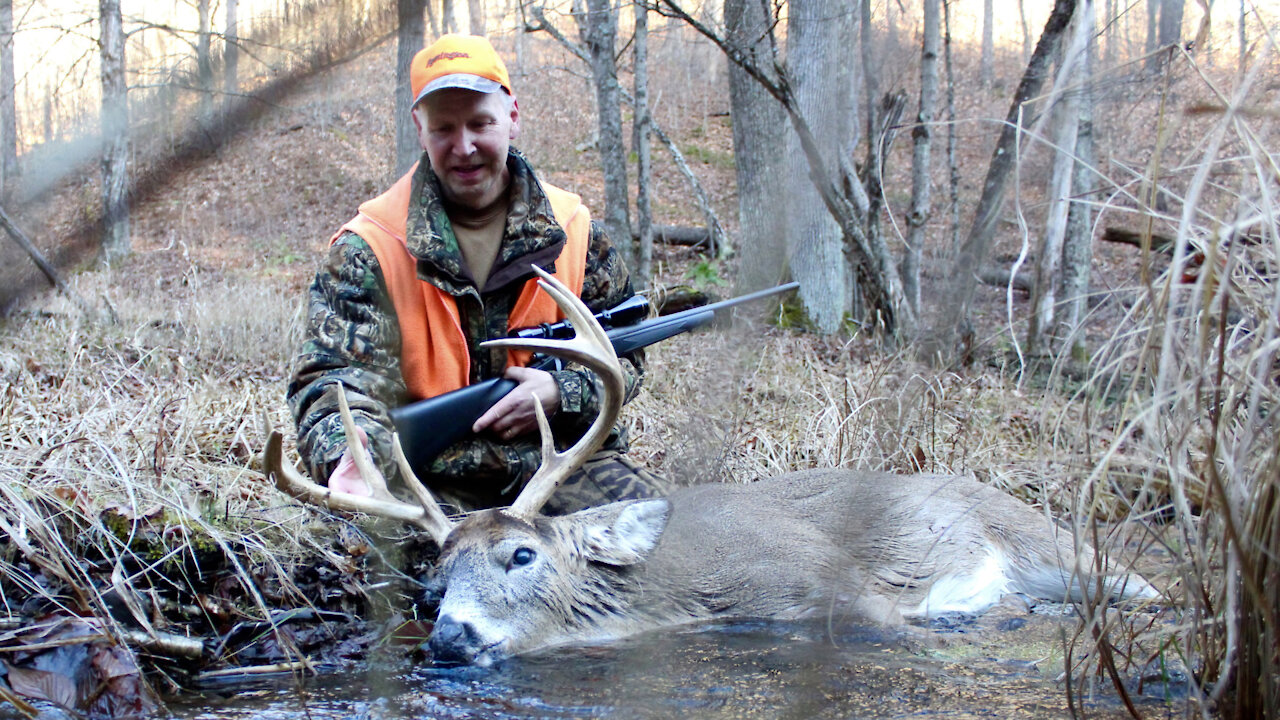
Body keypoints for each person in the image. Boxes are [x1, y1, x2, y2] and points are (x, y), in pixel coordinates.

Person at [287, 34, 664, 515]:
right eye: (444, 128)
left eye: (480, 123)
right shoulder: (370, 246)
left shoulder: (576, 230)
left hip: (564, 468)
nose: (464, 147)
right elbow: (331, 382)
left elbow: (626, 357)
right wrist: (353, 456)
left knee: (668, 546)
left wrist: (559, 392)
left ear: (512, 117)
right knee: (383, 575)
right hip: (427, 484)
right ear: (419, 129)